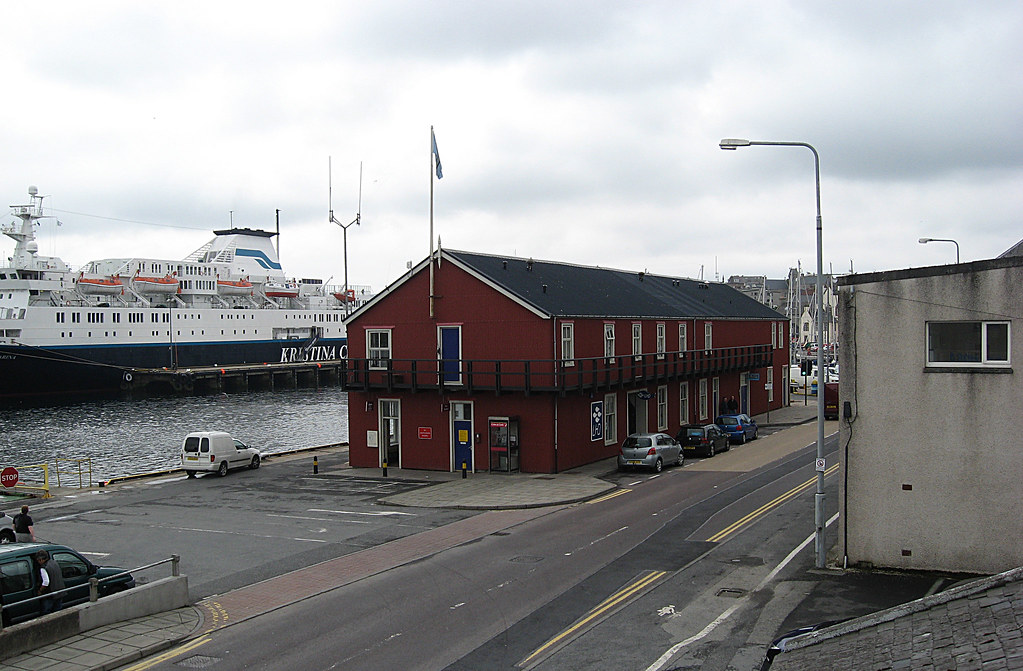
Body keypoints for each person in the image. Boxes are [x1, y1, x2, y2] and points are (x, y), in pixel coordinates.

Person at [36, 549, 65, 614]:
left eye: (38, 560)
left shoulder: (43, 568)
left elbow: (46, 582)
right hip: (60, 591)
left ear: (41, 560)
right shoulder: (54, 562)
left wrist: (40, 591)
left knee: (46, 611)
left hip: (50, 594)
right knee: (58, 611)